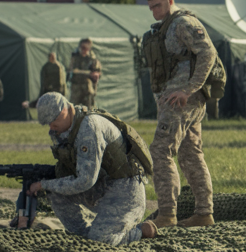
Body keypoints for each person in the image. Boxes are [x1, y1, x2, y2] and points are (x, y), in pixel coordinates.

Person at [29, 93, 155, 244]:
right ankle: (82, 235)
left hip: (125, 191)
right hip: (102, 187)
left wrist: (44, 184)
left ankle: (139, 232)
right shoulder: (64, 130)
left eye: (53, 121)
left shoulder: (89, 126)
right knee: (56, 193)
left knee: (102, 240)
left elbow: (85, 181)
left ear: (64, 110)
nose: (51, 127)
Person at [142, 0, 218, 228]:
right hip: (178, 100)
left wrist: (188, 89)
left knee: (160, 151)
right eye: (151, 7)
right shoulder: (166, 26)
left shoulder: (183, 23)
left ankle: (167, 214)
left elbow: (208, 53)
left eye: (158, 5)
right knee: (190, 154)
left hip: (182, 101)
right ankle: (204, 214)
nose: (154, 11)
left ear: (170, 0)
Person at [69, 38, 102, 108]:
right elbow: (72, 70)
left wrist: (95, 74)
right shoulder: (75, 58)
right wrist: (88, 73)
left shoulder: (92, 59)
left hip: (88, 89)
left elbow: (97, 73)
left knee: (89, 108)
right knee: (74, 108)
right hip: (76, 88)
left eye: (86, 48)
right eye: (82, 48)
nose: (84, 50)